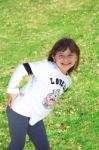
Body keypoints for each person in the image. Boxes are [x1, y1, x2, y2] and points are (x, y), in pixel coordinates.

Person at [6, 37, 80, 150]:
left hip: (35, 117)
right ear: (53, 56)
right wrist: (12, 90)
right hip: (19, 111)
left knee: (44, 147)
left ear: (76, 57)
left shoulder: (67, 80)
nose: (66, 59)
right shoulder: (46, 66)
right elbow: (22, 68)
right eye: (61, 55)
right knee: (17, 145)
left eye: (70, 55)